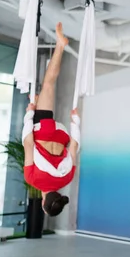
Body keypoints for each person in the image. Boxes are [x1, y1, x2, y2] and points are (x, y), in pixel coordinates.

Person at [22, 22, 81, 217]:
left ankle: (36, 101)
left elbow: (74, 147)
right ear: (43, 204)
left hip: (61, 133)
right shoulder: (32, 180)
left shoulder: (67, 179)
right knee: (48, 84)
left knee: (41, 95)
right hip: (44, 131)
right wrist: (29, 115)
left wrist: (76, 122)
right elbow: (28, 144)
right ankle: (60, 45)